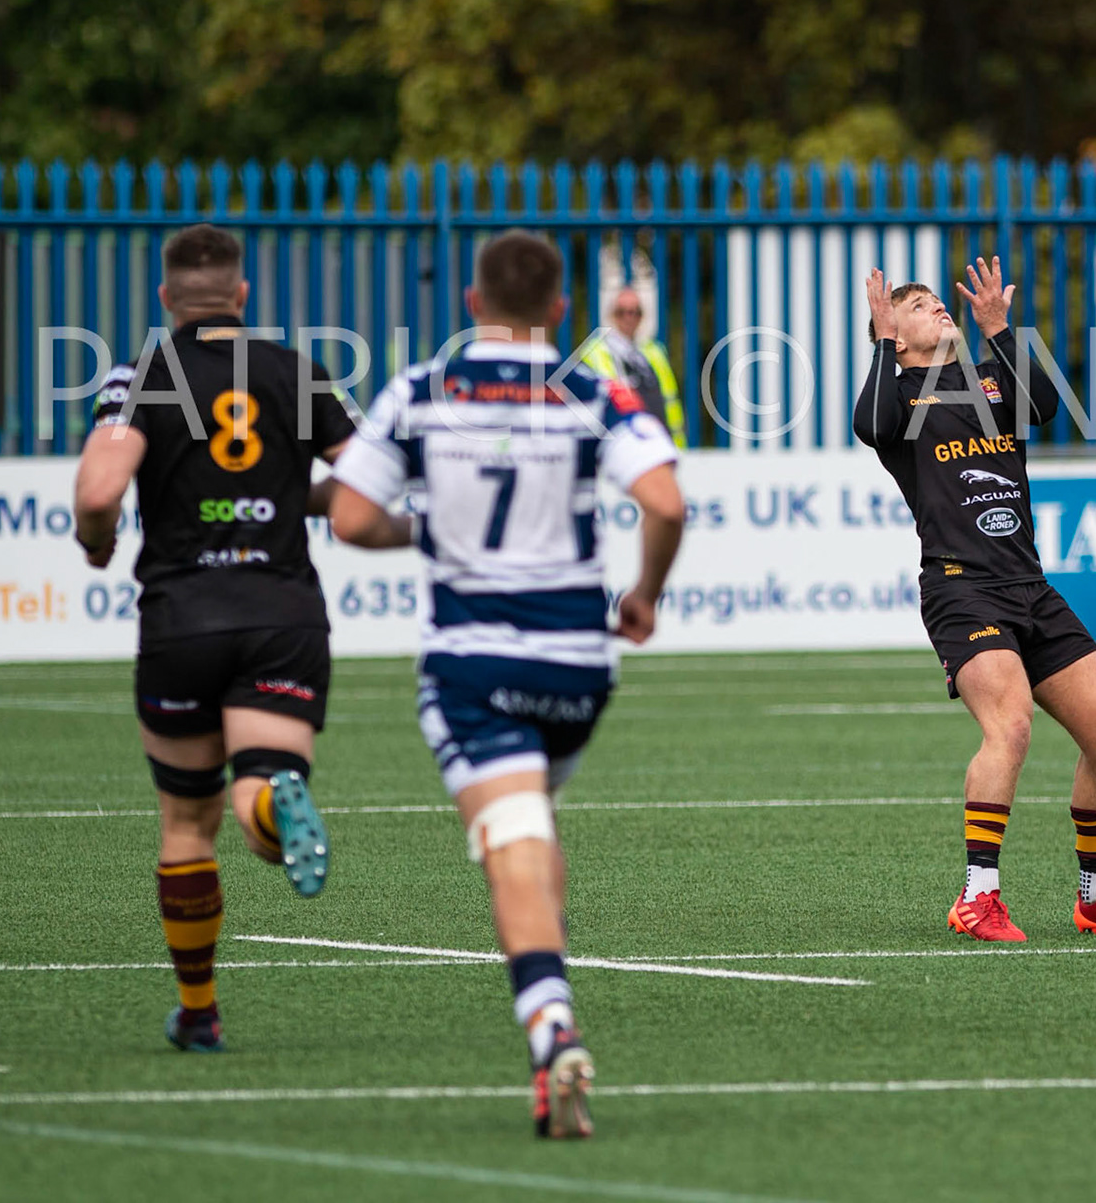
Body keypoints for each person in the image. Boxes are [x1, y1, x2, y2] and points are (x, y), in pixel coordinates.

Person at [328, 229, 684, 1140]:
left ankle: (551, 1025)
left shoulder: (422, 389)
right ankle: (548, 1001)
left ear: (472, 304)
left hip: (475, 659)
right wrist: (644, 596)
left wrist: (430, 531)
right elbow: (666, 501)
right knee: (530, 822)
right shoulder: (588, 389)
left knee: (513, 836)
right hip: (577, 666)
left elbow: (352, 518)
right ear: (562, 309)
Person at [72, 223, 355, 1053]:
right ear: (242, 295)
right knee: (254, 789)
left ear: (167, 299)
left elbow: (99, 492)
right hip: (281, 615)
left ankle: (199, 1012)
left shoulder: (141, 376)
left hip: (183, 617)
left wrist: (96, 542)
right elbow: (368, 482)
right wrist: (290, 496)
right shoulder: (298, 371)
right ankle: (271, 801)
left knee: (188, 823)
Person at [853, 256, 1096, 943]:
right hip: (961, 589)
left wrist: (999, 327)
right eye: (918, 305)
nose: (937, 306)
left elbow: (1047, 407)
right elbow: (869, 425)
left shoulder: (989, 380)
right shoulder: (899, 396)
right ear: (895, 335)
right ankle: (977, 897)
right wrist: (882, 341)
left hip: (1031, 586)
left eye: (937, 300)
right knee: (1011, 726)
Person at [577, 283, 686, 447]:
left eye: (636, 312)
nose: (630, 317)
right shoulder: (594, 353)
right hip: (623, 448)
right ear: (612, 315)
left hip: (661, 446)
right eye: (623, 312)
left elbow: (670, 403)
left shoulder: (654, 352)